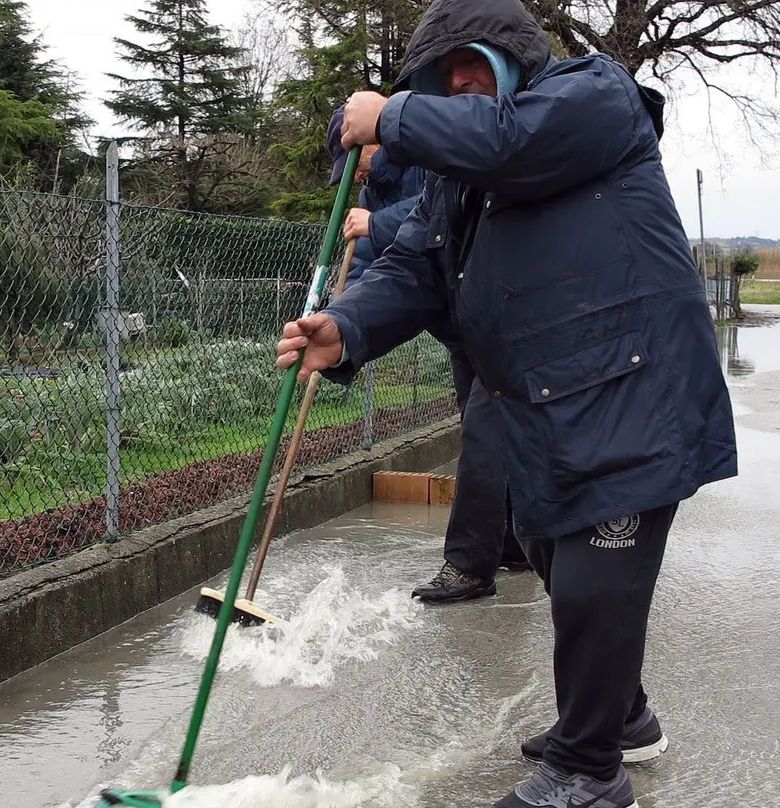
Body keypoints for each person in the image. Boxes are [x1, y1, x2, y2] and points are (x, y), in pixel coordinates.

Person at [276, 0, 738, 805]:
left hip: (632, 396)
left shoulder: (592, 98)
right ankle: (620, 716)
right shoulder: (458, 188)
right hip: (550, 407)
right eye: (438, 76)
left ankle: (590, 772)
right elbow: (414, 267)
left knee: (598, 571)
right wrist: (343, 330)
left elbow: (508, 140)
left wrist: (392, 115)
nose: (456, 83)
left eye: (472, 65)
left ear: (517, 59)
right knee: (548, 545)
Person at [328, 107, 531, 605]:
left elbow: (444, 210)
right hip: (458, 326)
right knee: (488, 432)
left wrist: (376, 222)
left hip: (498, 314)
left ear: (377, 138)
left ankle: (470, 564)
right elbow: (382, 268)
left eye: (358, 156)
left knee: (485, 438)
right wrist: (341, 325)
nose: (355, 172)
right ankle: (512, 544)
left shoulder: (425, 158)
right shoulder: (372, 192)